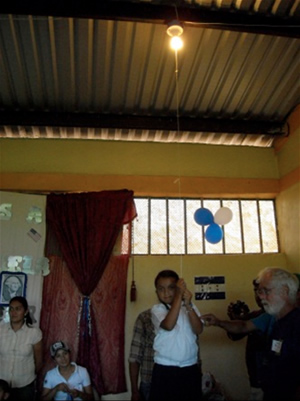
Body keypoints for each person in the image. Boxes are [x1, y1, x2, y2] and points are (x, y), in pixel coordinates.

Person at [202, 267, 300, 401]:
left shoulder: (295, 323)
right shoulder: (273, 319)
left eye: (266, 291)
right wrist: (218, 322)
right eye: (259, 291)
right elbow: (243, 326)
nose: (260, 296)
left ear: (285, 291)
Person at [149, 270, 203, 401]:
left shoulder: (190, 307)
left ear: (179, 288)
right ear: (156, 292)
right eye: (161, 289)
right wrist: (179, 296)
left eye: (171, 288)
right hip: (165, 370)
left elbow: (198, 329)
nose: (166, 293)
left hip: (190, 368)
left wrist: (189, 304)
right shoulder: (157, 310)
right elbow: (168, 325)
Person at [226, 279, 265, 401]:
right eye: (256, 291)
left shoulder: (287, 317)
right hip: (256, 380)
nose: (259, 296)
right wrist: (235, 319)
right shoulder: (255, 316)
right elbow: (235, 335)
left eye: (263, 291)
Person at [0, 296, 43, 401]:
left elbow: (39, 362)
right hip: (1, 385)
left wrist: (28, 374)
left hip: (25, 385)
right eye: (11, 308)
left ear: (26, 311)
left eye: (18, 308)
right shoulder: (1, 330)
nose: (14, 312)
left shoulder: (34, 333)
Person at [129, 309, 155, 401]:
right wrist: (134, 391)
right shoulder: (145, 318)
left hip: (181, 382)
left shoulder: (186, 314)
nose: (166, 293)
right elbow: (135, 356)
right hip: (150, 382)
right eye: (161, 292)